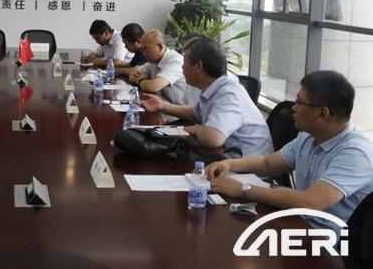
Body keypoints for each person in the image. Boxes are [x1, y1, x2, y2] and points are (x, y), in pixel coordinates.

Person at [207, 71, 373, 236]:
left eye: (299, 102)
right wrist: (228, 164)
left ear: (323, 114)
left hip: (328, 242)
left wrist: (243, 189)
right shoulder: (309, 138)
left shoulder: (355, 153)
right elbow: (267, 163)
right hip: (298, 223)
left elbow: (311, 202)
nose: (293, 108)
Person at [141, 37, 273, 157]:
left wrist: (194, 129)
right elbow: (195, 112)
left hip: (249, 169)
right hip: (226, 159)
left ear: (198, 66)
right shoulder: (214, 88)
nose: (182, 66)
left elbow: (213, 138)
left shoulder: (229, 94)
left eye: (185, 61)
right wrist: (162, 106)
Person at [128, 29, 188, 104]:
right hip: (163, 104)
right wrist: (141, 78)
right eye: (142, 50)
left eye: (146, 49)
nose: (144, 54)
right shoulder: (153, 61)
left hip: (178, 109)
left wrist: (140, 80)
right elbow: (133, 74)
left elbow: (153, 87)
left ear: (160, 47)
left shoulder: (175, 61)